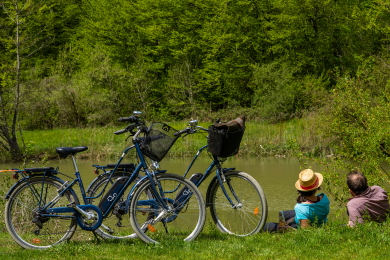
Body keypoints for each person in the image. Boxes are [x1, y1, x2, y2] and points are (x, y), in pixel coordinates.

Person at [263, 169, 330, 232]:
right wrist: (290, 221)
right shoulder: (324, 198)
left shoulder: (301, 208)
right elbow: (310, 210)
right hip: (320, 222)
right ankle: (289, 221)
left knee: (266, 226)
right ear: (316, 188)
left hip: (307, 226)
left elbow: (306, 232)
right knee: (285, 214)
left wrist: (289, 229)